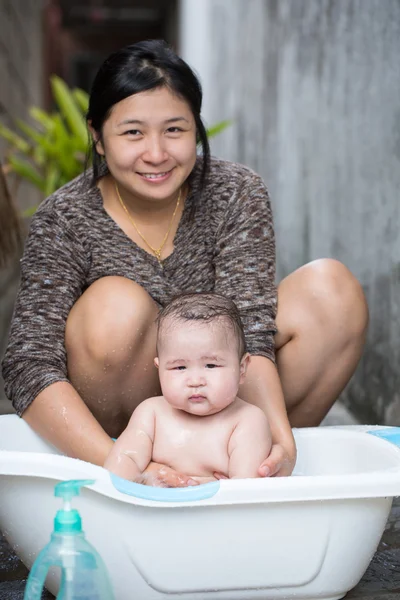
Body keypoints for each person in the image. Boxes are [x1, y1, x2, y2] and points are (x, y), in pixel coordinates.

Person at [1, 39, 368, 486]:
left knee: (331, 291)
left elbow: (251, 330)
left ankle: (252, 472)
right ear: (97, 137)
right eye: (133, 132)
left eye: (174, 130)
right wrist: (123, 466)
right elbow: (28, 362)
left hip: (227, 413)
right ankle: (139, 481)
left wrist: (280, 438)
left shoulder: (235, 191)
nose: (156, 154)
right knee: (115, 303)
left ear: (195, 127)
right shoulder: (65, 217)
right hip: (125, 441)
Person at [104, 292, 272, 485]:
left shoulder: (247, 421)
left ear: (242, 369)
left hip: (215, 513)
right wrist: (140, 483)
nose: (195, 380)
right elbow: (120, 466)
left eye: (211, 365)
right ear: (159, 369)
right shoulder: (151, 414)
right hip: (151, 511)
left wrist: (203, 487)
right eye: (179, 367)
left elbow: (246, 492)